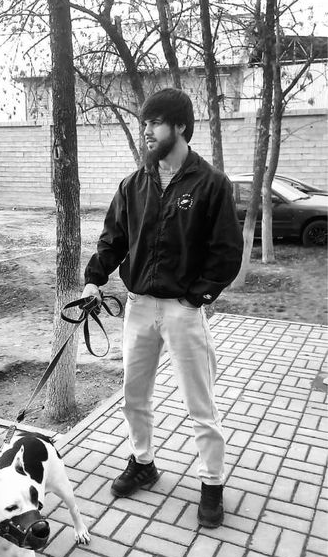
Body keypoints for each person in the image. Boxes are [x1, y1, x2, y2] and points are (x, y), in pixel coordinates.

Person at [82, 88, 243, 528]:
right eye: (145, 123)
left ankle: (212, 484)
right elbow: (113, 240)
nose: (147, 131)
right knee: (133, 397)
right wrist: (95, 279)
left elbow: (227, 252)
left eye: (155, 123)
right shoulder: (134, 184)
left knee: (200, 404)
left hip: (183, 312)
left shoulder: (211, 184)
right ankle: (143, 462)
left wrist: (196, 297)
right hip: (138, 308)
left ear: (181, 127)